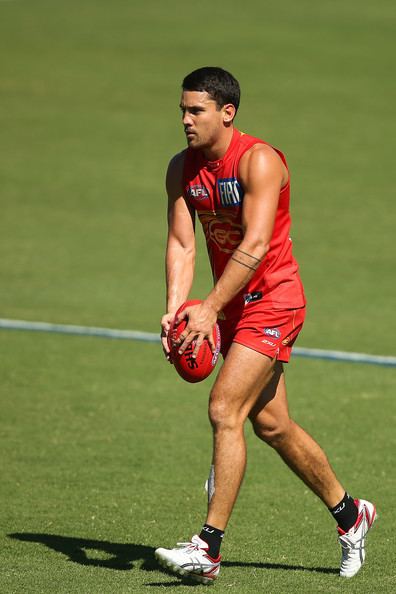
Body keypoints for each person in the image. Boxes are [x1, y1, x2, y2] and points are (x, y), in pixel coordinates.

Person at [155, 66, 376, 584]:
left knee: (224, 407)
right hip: (230, 305)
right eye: (182, 110)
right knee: (271, 424)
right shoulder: (181, 169)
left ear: (227, 112)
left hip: (274, 301)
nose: (185, 120)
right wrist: (176, 309)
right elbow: (183, 244)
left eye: (196, 110)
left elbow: (255, 246)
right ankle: (351, 514)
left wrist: (208, 308)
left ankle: (206, 550)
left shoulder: (258, 161)